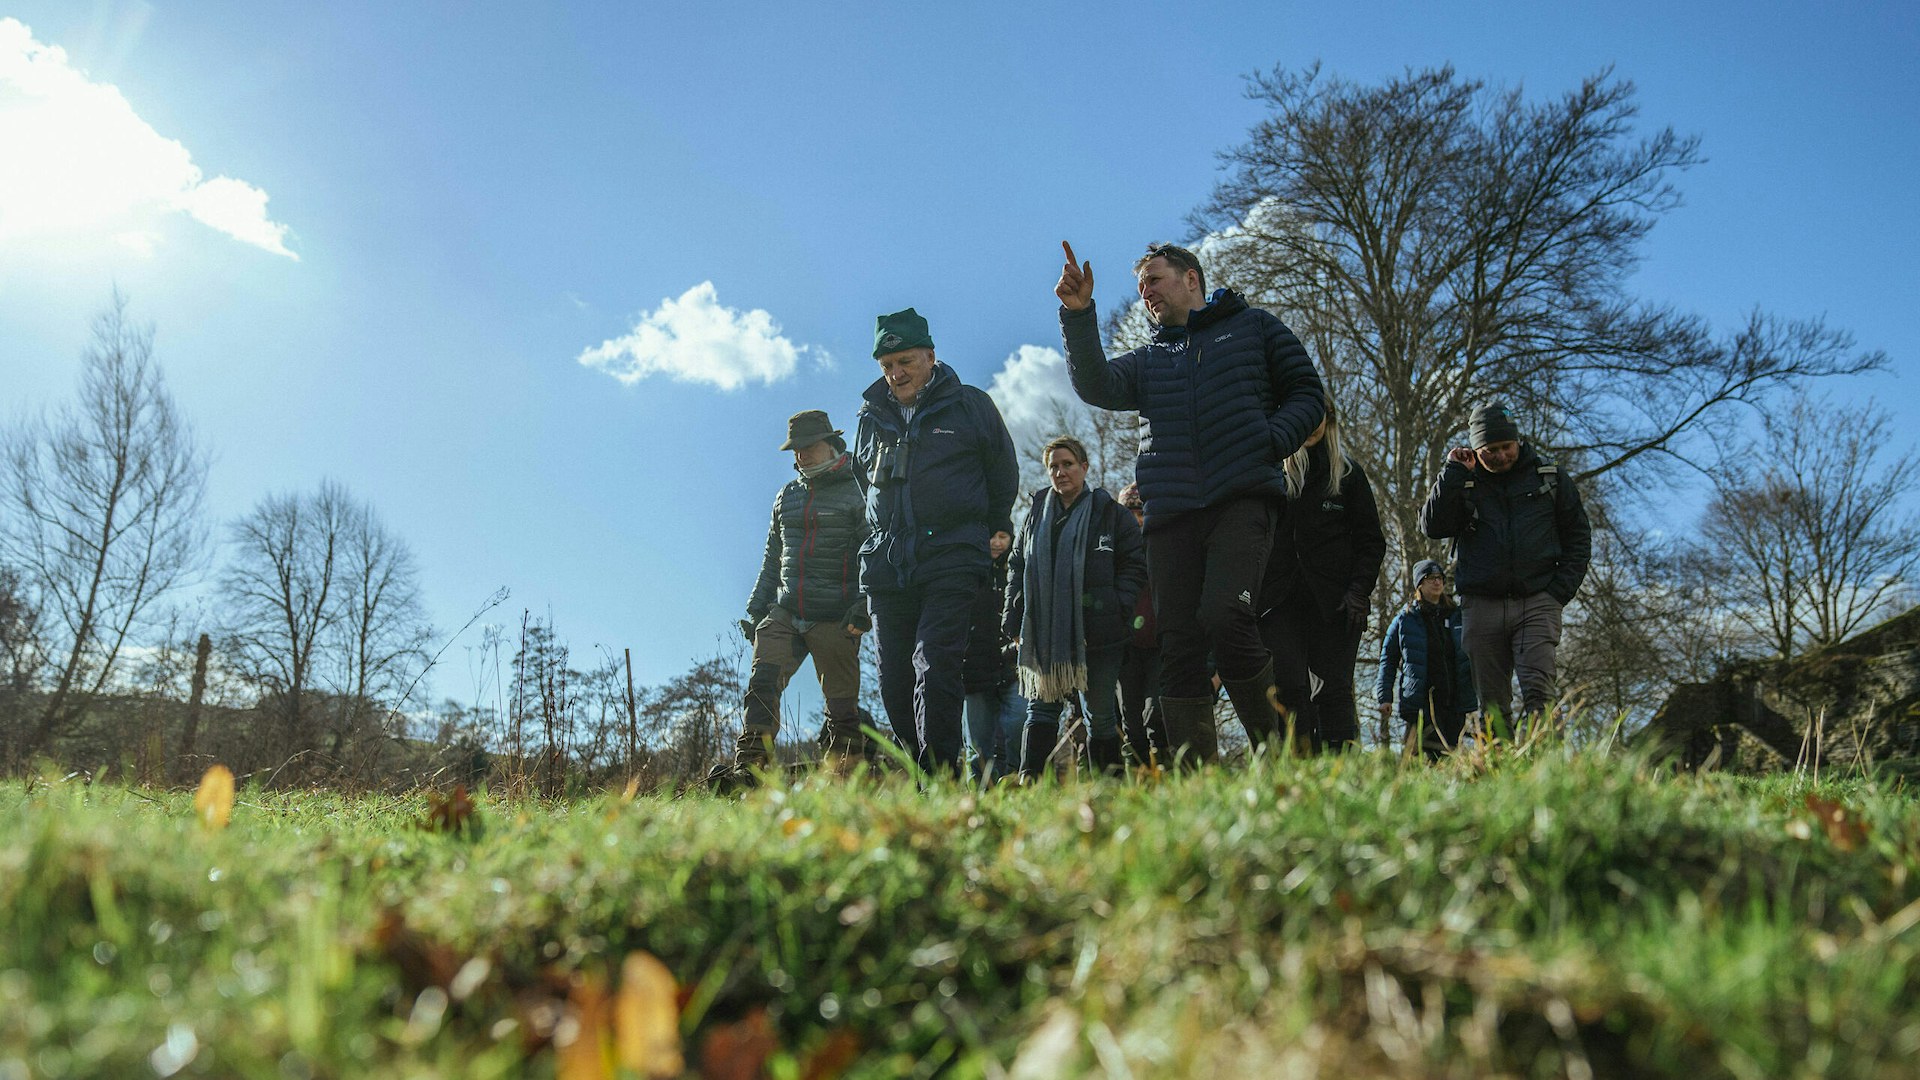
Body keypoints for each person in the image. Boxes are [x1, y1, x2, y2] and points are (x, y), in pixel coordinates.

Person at [1055, 241, 1324, 763]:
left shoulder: (1255, 328)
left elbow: (1307, 393)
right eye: (1140, 288)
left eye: (1155, 280)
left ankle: (1282, 760)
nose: (1147, 293)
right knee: (1178, 643)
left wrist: (1268, 441)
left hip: (1242, 499)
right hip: (1171, 514)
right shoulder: (1150, 360)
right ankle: (1192, 779)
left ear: (1192, 278)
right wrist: (1079, 314)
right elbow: (1095, 383)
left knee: (1226, 616)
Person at [855, 307, 1021, 775]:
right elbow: (862, 485)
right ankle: (924, 774)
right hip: (887, 564)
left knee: (936, 666)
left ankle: (945, 778)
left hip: (952, 556)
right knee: (894, 681)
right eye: (887, 366)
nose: (896, 373)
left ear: (930, 355)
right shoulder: (870, 417)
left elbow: (1002, 473)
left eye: (905, 361)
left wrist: (991, 527)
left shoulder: (970, 405)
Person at [712, 410, 870, 788]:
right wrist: (756, 607)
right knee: (762, 684)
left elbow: (872, 552)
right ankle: (750, 769)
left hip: (836, 613)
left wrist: (863, 606)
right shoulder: (788, 495)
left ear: (831, 444)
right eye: (794, 450)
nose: (800, 456)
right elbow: (773, 556)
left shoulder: (858, 489)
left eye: (807, 447)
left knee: (841, 706)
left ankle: (847, 776)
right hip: (785, 611)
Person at [1418, 402, 1592, 734]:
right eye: (1489, 450)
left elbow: (1579, 536)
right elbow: (1432, 525)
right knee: (1492, 703)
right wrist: (1453, 472)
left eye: (1505, 447)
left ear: (1518, 441)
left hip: (1538, 600)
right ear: (1475, 448)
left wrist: (1558, 592)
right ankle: (1500, 772)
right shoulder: (1464, 480)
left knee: (1539, 691)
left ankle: (1543, 769)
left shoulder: (1549, 477)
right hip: (1480, 604)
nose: (1499, 456)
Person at [1003, 436, 1147, 778]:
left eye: (1068, 464)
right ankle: (1029, 782)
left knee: (1099, 713)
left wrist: (1116, 607)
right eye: (1053, 466)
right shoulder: (1035, 515)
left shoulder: (1111, 514)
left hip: (1101, 633)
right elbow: (1017, 564)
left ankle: (1108, 790)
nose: (1061, 472)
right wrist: (1013, 614)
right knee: (1040, 709)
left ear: (1084, 467)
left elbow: (1134, 566)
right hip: (1044, 631)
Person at [1259, 391, 1385, 752]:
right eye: (1305, 413)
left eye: (1321, 415)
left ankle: (1342, 770)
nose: (1313, 424)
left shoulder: (1348, 475)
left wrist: (1358, 590)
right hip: (1279, 603)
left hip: (1337, 603)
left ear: (1330, 421)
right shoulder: (1272, 474)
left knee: (1335, 689)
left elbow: (1371, 542)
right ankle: (1298, 771)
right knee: (1290, 686)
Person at [1376, 560, 1478, 758]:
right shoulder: (1405, 619)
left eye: (1440, 578)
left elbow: (1475, 653)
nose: (1437, 582)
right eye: (1431, 578)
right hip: (1419, 703)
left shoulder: (1458, 616)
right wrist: (1384, 697)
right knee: (1419, 759)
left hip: (1454, 701)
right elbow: (1387, 659)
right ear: (1419, 584)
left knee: (1451, 757)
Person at [1113, 482, 1171, 767]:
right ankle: (1137, 780)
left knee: (1156, 714)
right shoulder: (1112, 554)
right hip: (1126, 649)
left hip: (1160, 644)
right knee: (1130, 719)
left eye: (1141, 511)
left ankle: (1164, 773)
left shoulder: (1167, 548)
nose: (1136, 519)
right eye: (1130, 512)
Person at [962, 529, 1025, 784]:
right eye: (991, 536)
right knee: (977, 742)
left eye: (1003, 536)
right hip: (974, 666)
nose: (997, 543)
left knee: (1019, 724)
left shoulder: (1019, 572)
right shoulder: (967, 572)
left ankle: (1017, 782)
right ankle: (978, 794)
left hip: (1015, 664)